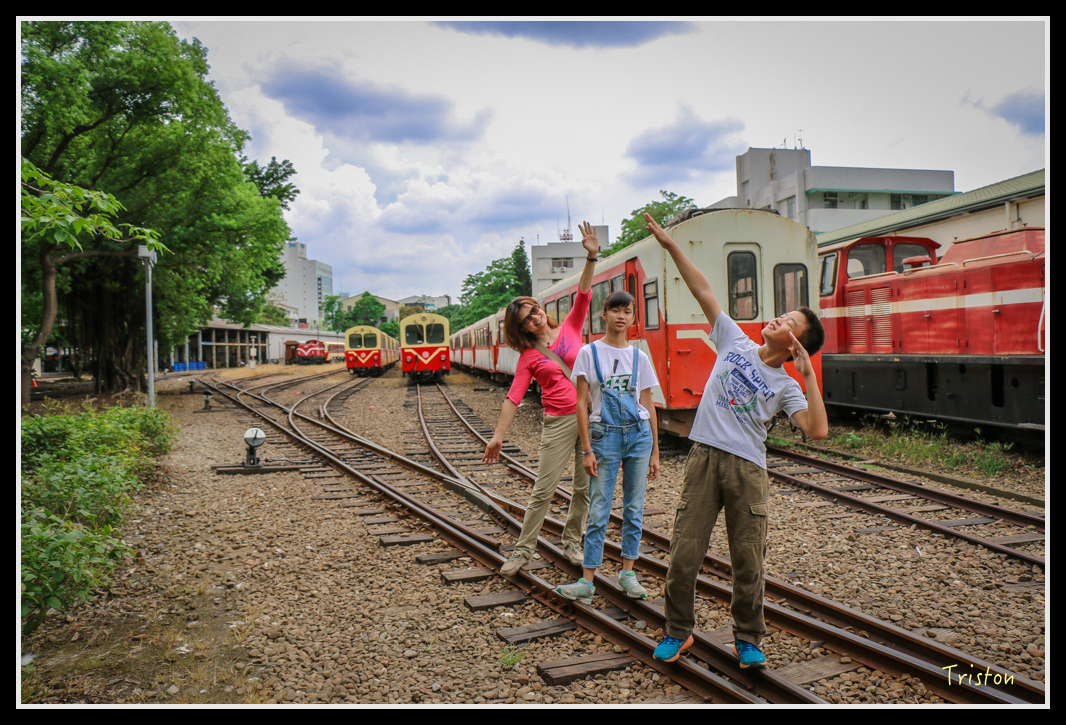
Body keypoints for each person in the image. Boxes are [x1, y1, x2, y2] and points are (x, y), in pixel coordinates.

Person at [643, 213, 828, 669]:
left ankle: (747, 638)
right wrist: (670, 246)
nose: (778, 317)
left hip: (748, 470)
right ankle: (677, 632)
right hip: (704, 457)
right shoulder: (735, 341)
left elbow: (817, 430)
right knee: (685, 553)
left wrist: (807, 376)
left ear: (795, 345)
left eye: (790, 321)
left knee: (748, 561)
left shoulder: (787, 384)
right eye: (784, 313)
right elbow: (703, 288)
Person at [484, 221, 601, 576]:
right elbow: (512, 398)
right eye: (527, 319)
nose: (535, 317)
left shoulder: (569, 328)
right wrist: (499, 435)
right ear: (521, 330)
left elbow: (583, 294)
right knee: (544, 490)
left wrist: (591, 256)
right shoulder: (529, 358)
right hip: (559, 421)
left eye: (535, 309)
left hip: (591, 416)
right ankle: (523, 551)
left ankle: (571, 541)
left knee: (585, 488)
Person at [555, 290, 660, 604]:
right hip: (605, 436)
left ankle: (627, 574)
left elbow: (648, 403)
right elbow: (581, 403)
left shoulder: (639, 357)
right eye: (615, 310)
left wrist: (656, 450)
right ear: (605, 315)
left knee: (633, 508)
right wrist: (586, 449)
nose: (621, 317)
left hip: (639, 435)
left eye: (627, 312)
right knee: (599, 508)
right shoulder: (590, 352)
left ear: (632, 318)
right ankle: (588, 580)